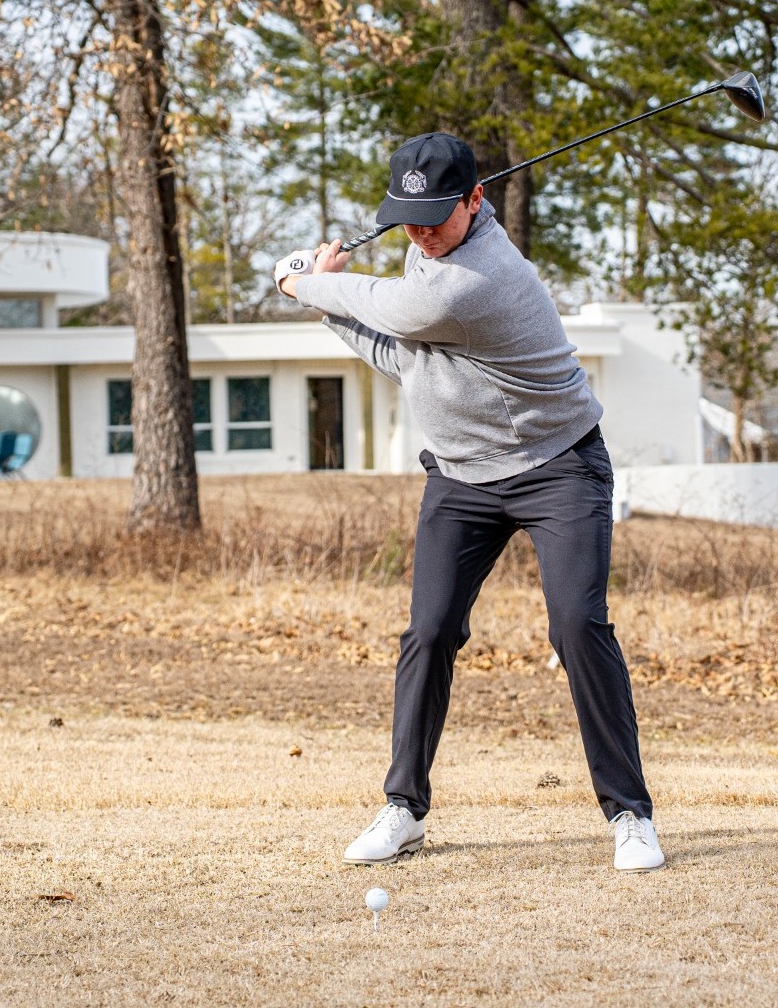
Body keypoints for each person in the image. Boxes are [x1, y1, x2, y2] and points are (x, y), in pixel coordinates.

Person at [275, 132, 664, 873]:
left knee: (578, 626)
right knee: (428, 630)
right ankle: (404, 809)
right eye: (409, 216)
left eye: (436, 215)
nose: (421, 231)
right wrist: (328, 309)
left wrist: (306, 284)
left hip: (556, 466)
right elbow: (404, 355)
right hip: (460, 473)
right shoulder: (429, 249)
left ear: (476, 199)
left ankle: (630, 814)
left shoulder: (480, 276)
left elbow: (394, 310)